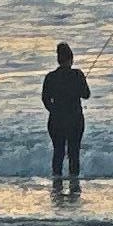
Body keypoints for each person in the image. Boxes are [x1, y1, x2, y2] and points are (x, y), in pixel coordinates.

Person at [40, 40, 89, 190]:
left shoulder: (50, 77)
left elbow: (45, 99)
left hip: (56, 120)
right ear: (71, 59)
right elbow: (86, 94)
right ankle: (74, 185)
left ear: (58, 59)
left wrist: (54, 111)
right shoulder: (77, 74)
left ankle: (57, 184)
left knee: (58, 152)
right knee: (74, 153)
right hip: (75, 119)